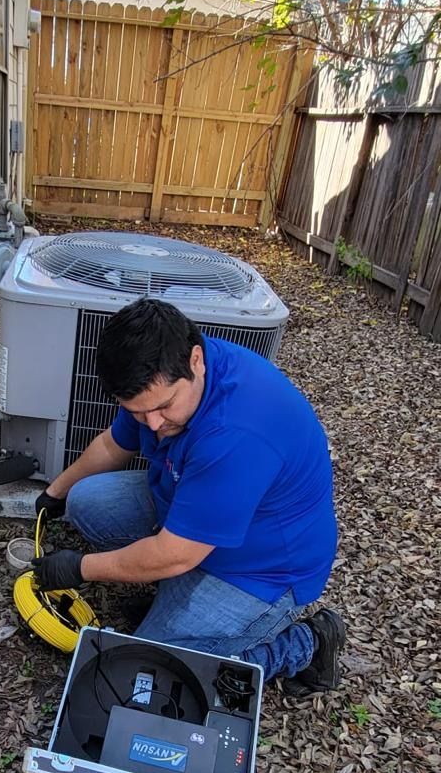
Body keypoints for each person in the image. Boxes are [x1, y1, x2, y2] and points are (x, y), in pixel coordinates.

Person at [31, 297, 344, 698]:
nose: (154, 424)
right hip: (189, 508)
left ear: (196, 361)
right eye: (139, 412)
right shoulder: (158, 371)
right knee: (86, 502)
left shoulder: (237, 432)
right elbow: (114, 444)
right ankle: (173, 595)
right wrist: (55, 492)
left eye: (163, 408)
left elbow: (176, 554)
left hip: (258, 571)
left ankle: (306, 644)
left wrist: (81, 568)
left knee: (154, 671)